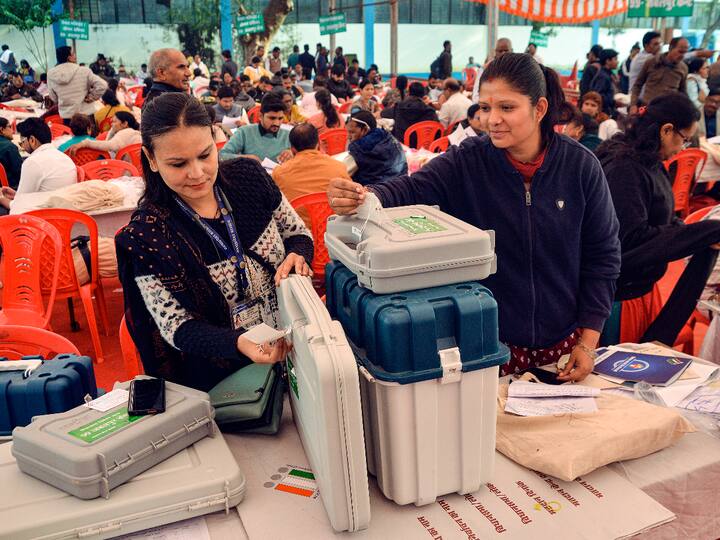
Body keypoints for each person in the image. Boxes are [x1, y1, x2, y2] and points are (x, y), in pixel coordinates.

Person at [328, 52, 621, 381]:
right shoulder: (468, 161)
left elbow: (603, 255)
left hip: (563, 349)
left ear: (539, 109)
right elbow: (412, 188)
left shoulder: (581, 167)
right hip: (489, 346)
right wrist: (366, 196)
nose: (492, 119)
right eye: (485, 107)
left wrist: (588, 342)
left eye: (506, 108)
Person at [115, 92, 312, 391]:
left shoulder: (250, 178)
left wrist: (298, 253)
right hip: (225, 380)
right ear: (152, 159)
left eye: (206, 155)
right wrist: (237, 343)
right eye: (178, 164)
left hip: (294, 349)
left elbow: (297, 232)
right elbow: (175, 326)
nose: (197, 173)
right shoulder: (148, 237)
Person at [596, 93, 720, 345]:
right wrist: (704, 233)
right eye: (684, 140)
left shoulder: (647, 161)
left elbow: (661, 222)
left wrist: (696, 235)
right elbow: (631, 241)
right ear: (666, 130)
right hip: (620, 298)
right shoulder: (625, 169)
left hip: (639, 290)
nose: (682, 148)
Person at [272, 123, 351, 227]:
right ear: (318, 143)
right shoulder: (339, 167)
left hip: (297, 234)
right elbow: (350, 201)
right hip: (332, 232)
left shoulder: (279, 173)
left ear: (292, 148)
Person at [0, 118, 77, 212]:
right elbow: (45, 192)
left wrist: (2, 199)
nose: (22, 147)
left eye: (22, 143)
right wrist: (16, 195)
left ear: (32, 140)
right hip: (67, 213)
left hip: (44, 217)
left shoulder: (33, 162)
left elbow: (18, 207)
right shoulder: (65, 158)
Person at [220, 93, 292, 163]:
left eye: (280, 118)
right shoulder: (245, 132)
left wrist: (293, 154)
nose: (276, 123)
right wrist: (246, 159)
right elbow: (222, 155)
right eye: (272, 118)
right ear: (260, 116)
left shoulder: (289, 135)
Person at [346, 111, 407, 185]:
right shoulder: (388, 138)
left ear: (365, 129)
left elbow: (343, 173)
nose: (348, 136)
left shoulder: (359, 150)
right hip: (401, 183)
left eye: (352, 132)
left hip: (379, 191)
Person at [48, 46, 107, 122]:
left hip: (67, 117)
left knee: (71, 134)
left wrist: (63, 101)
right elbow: (103, 85)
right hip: (86, 115)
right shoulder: (84, 71)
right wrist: (91, 97)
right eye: (73, 54)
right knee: (88, 134)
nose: (75, 56)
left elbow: (53, 97)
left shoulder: (51, 74)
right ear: (69, 58)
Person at [630, 37, 689, 112]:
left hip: (668, 111)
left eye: (685, 52)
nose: (682, 56)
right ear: (670, 48)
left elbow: (683, 92)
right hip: (647, 108)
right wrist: (633, 105)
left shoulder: (683, 68)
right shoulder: (651, 62)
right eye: (680, 52)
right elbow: (637, 85)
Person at [67, 111, 141, 158]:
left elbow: (110, 145)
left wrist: (85, 143)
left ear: (125, 123)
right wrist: (113, 129)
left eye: (114, 122)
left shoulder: (126, 132)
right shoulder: (131, 133)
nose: (111, 124)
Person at [589, 48, 619, 117]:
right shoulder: (603, 77)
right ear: (608, 61)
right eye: (615, 59)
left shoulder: (607, 74)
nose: (617, 62)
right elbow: (598, 96)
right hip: (603, 113)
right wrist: (613, 102)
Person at [0, 117, 22, 190]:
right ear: (1, 130)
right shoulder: (10, 147)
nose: (12, 130)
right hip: (10, 189)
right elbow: (20, 172)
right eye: (9, 127)